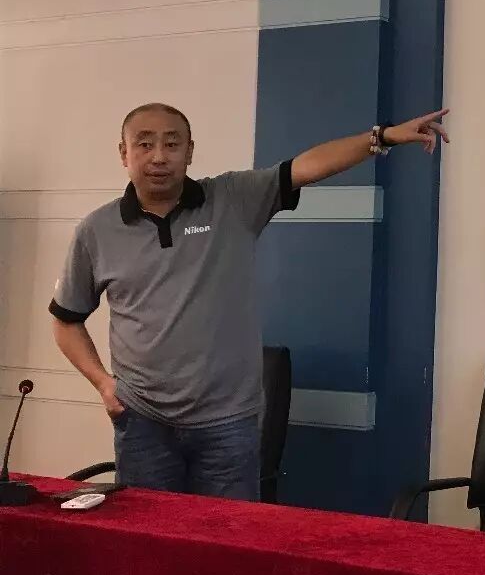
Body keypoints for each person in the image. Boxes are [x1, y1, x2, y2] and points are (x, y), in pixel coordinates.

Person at [49, 103, 449, 501]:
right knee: (148, 535)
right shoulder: (96, 231)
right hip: (143, 422)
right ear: (124, 153)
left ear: (190, 151)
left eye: (172, 144)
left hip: (227, 425)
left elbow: (307, 167)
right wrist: (102, 383)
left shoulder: (231, 199)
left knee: (229, 535)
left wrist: (382, 136)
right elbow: (66, 320)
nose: (158, 156)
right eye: (144, 143)